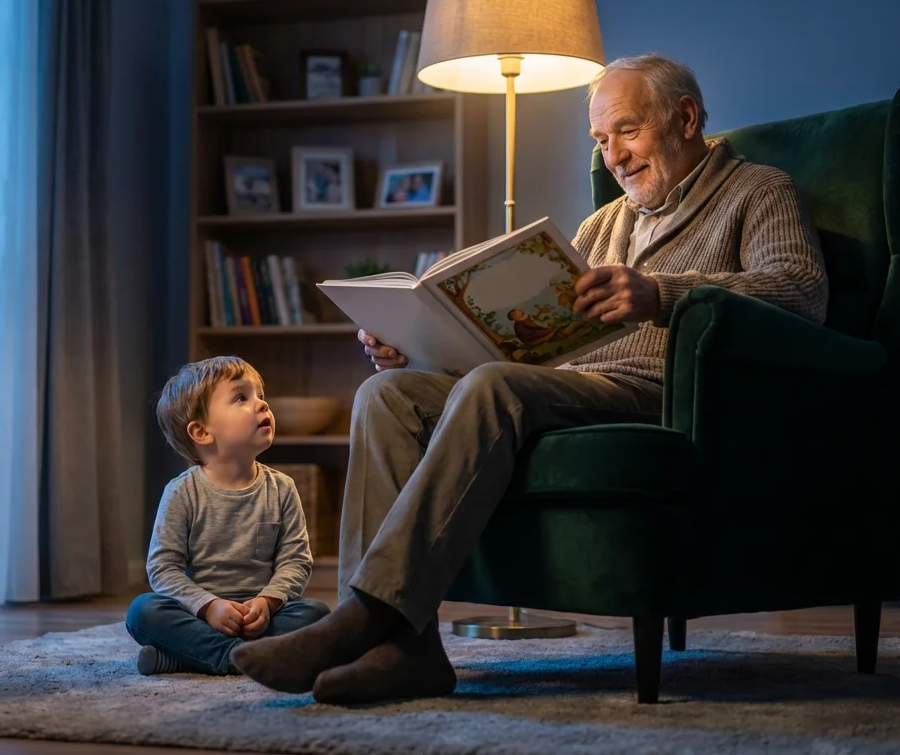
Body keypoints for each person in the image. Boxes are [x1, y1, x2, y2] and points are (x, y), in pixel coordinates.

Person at [228, 53, 830, 704]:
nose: (614, 157)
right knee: (388, 396)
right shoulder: (602, 225)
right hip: (569, 389)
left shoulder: (758, 190)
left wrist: (660, 293)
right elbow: (538, 350)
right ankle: (406, 651)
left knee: (497, 387)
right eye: (601, 141)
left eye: (626, 131)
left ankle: (360, 616)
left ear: (684, 117)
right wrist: (419, 348)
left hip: (669, 395)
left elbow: (800, 292)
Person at [126, 356, 331, 676]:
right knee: (143, 612)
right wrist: (208, 606)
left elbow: (295, 560)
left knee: (316, 613)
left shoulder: (282, 488)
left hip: (263, 618)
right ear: (201, 432)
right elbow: (163, 568)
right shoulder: (182, 492)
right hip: (200, 616)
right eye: (241, 397)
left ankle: (189, 657)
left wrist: (269, 601)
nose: (262, 405)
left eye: (260, 395)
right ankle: (247, 657)